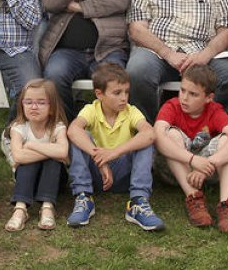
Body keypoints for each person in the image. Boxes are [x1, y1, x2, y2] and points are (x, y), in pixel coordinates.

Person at [65, 63, 165, 231]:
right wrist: (101, 160)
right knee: (81, 136)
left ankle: (138, 202)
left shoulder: (131, 111)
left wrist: (113, 153)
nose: (124, 98)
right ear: (99, 94)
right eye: (117, 93)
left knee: (144, 141)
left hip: (124, 175)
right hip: (96, 174)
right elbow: (73, 130)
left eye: (126, 92)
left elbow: (150, 134)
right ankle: (83, 198)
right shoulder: (91, 110)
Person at [153, 64, 228, 233]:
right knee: (171, 135)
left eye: (193, 94)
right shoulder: (172, 106)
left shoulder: (214, 110)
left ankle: (227, 205)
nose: (184, 98)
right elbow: (158, 138)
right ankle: (194, 198)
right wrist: (193, 160)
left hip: (206, 172)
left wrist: (207, 165)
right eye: (182, 90)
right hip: (174, 170)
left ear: (208, 97)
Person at [2, 78, 69, 232]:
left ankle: (47, 207)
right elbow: (18, 157)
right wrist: (51, 150)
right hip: (26, 178)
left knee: (53, 162)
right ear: (22, 105)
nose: (34, 106)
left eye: (41, 102)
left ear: (51, 107)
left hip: (55, 179)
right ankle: (20, 209)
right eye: (28, 102)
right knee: (28, 163)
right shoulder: (18, 128)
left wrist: (32, 146)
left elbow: (63, 152)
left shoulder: (58, 127)